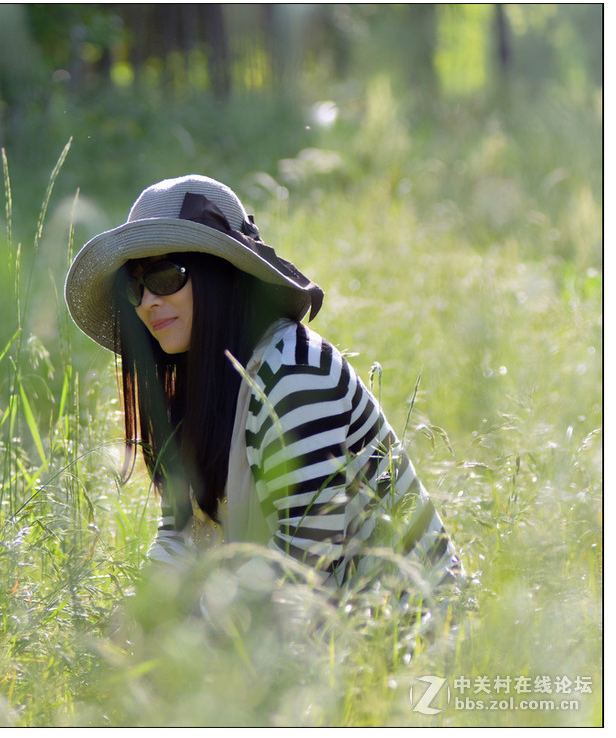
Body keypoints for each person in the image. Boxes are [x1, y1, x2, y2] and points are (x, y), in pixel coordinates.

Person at [63, 175, 460, 600]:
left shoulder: (295, 373)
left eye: (164, 276)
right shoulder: (200, 384)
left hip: (406, 625)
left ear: (226, 275)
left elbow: (306, 566)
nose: (146, 302)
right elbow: (182, 533)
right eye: (134, 286)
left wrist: (189, 627)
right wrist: (140, 615)